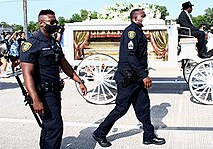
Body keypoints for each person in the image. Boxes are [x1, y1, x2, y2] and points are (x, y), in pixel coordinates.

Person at [92, 9, 166, 147]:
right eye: (142, 16)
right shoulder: (131, 32)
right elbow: (130, 56)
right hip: (128, 78)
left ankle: (149, 136)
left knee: (143, 107)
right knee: (121, 108)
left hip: (136, 78)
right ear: (135, 18)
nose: (145, 19)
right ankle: (100, 133)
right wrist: (144, 76)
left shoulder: (138, 31)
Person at [20, 9, 87, 149]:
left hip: (55, 91)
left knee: (49, 127)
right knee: (55, 127)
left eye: (56, 21)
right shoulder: (32, 44)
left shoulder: (53, 42)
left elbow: (64, 64)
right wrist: (35, 99)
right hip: (42, 93)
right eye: (52, 22)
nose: (55, 24)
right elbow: (27, 75)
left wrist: (79, 80)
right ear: (41, 23)